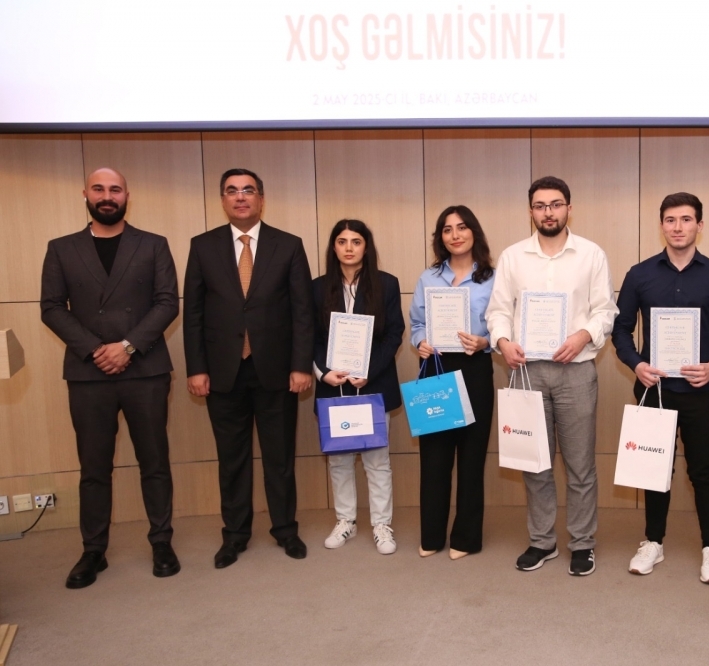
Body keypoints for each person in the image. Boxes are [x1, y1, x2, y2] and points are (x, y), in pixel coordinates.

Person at [41, 167, 180, 588]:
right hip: (88, 372)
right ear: (85, 194)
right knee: (94, 467)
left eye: (115, 189)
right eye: (99, 189)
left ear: (127, 196)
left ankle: (161, 541)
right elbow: (51, 307)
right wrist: (95, 349)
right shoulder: (61, 248)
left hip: (145, 370)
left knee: (154, 462)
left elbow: (167, 302)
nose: (107, 196)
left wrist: (128, 347)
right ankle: (93, 551)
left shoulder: (153, 244)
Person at [486, 176, 618, 576]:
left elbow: (605, 311)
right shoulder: (512, 257)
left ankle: (582, 543)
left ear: (568, 209)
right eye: (541, 206)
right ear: (531, 211)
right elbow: (498, 311)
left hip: (575, 372)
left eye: (556, 204)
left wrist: (582, 336)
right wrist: (503, 341)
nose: (549, 212)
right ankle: (542, 541)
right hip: (526, 373)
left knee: (580, 466)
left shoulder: (591, 254)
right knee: (534, 463)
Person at [183, 168, 314, 568]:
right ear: (223, 200)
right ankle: (235, 535)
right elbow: (193, 314)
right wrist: (196, 368)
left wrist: (301, 365)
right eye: (232, 191)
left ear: (261, 198)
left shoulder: (288, 245)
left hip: (276, 370)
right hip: (223, 371)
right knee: (232, 460)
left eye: (248, 190)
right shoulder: (202, 246)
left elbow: (302, 312)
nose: (240, 197)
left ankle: (285, 530)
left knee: (279, 458)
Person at [612, 192, 709, 582]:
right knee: (654, 468)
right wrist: (637, 364)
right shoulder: (639, 274)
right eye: (670, 220)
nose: (678, 227)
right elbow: (621, 330)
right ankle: (653, 541)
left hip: (700, 392)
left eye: (686, 219)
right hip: (655, 389)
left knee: (703, 470)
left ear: (700, 225)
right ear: (661, 225)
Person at [410, 206, 495, 560]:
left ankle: (466, 538)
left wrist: (485, 341)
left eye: (461, 227)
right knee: (434, 457)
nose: (455, 235)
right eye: (447, 229)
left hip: (475, 368)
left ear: (474, 232)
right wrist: (420, 342)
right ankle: (431, 535)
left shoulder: (494, 278)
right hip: (437, 367)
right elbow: (417, 324)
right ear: (440, 237)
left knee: (472, 458)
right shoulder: (428, 278)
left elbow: (504, 325)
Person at [314, 219, 404, 555]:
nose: (349, 248)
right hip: (333, 387)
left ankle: (381, 524)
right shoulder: (317, 287)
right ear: (333, 247)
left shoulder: (387, 284)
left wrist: (369, 370)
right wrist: (324, 373)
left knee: (377, 461)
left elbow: (394, 333)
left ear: (366, 247)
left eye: (356, 241)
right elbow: (309, 336)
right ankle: (346, 521)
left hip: (372, 385)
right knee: (339, 462)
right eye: (342, 241)